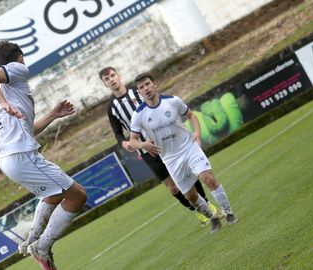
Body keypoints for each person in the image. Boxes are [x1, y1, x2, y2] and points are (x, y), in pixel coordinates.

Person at [0, 41, 87, 270]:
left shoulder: (8, 90)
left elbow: (28, 130)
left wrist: (53, 114)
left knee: (53, 195)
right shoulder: (17, 70)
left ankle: (32, 240)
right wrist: (4, 104)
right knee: (77, 197)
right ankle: (41, 245)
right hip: (21, 156)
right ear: (19, 57)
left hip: (10, 160)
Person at [99, 67, 222, 226]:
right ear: (105, 84)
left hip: (164, 141)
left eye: (112, 75)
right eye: (107, 79)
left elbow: (159, 104)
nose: (111, 80)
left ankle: (207, 205)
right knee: (172, 187)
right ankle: (197, 210)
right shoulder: (112, 107)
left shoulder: (138, 91)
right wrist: (124, 142)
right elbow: (117, 132)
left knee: (188, 176)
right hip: (145, 149)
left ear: (119, 76)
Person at [129, 72, 237, 234]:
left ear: (155, 84)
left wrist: (197, 134)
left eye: (148, 84)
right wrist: (144, 144)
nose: (146, 89)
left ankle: (229, 213)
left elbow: (192, 116)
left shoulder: (172, 101)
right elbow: (132, 141)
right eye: (141, 87)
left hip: (189, 148)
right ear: (139, 92)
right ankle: (213, 218)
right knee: (190, 197)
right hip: (170, 159)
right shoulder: (138, 115)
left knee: (208, 179)